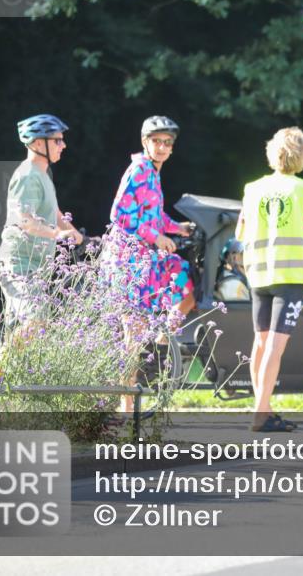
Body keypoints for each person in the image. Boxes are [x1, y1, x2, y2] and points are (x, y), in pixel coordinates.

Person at [236, 127, 303, 432]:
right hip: (290, 277)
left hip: (259, 274)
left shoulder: (252, 188)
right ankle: (261, 414)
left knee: (260, 344)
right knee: (275, 347)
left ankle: (262, 408)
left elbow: (240, 232)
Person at [104, 115, 195, 410]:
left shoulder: (154, 174)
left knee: (184, 279)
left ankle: (161, 342)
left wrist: (177, 228)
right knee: (133, 332)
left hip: (148, 258)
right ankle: (127, 408)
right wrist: (156, 238)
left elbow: (153, 216)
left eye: (168, 143)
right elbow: (119, 214)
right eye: (157, 141)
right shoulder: (139, 169)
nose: (162, 147)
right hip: (129, 261)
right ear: (146, 142)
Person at [0, 114, 84, 327]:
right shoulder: (27, 175)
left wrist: (79, 236)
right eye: (57, 140)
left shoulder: (42, 174)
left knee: (28, 333)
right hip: (20, 265)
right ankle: (3, 362)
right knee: (35, 323)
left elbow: (54, 212)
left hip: (37, 266)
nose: (63, 145)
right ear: (37, 143)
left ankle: (4, 361)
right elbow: (24, 221)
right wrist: (58, 234)